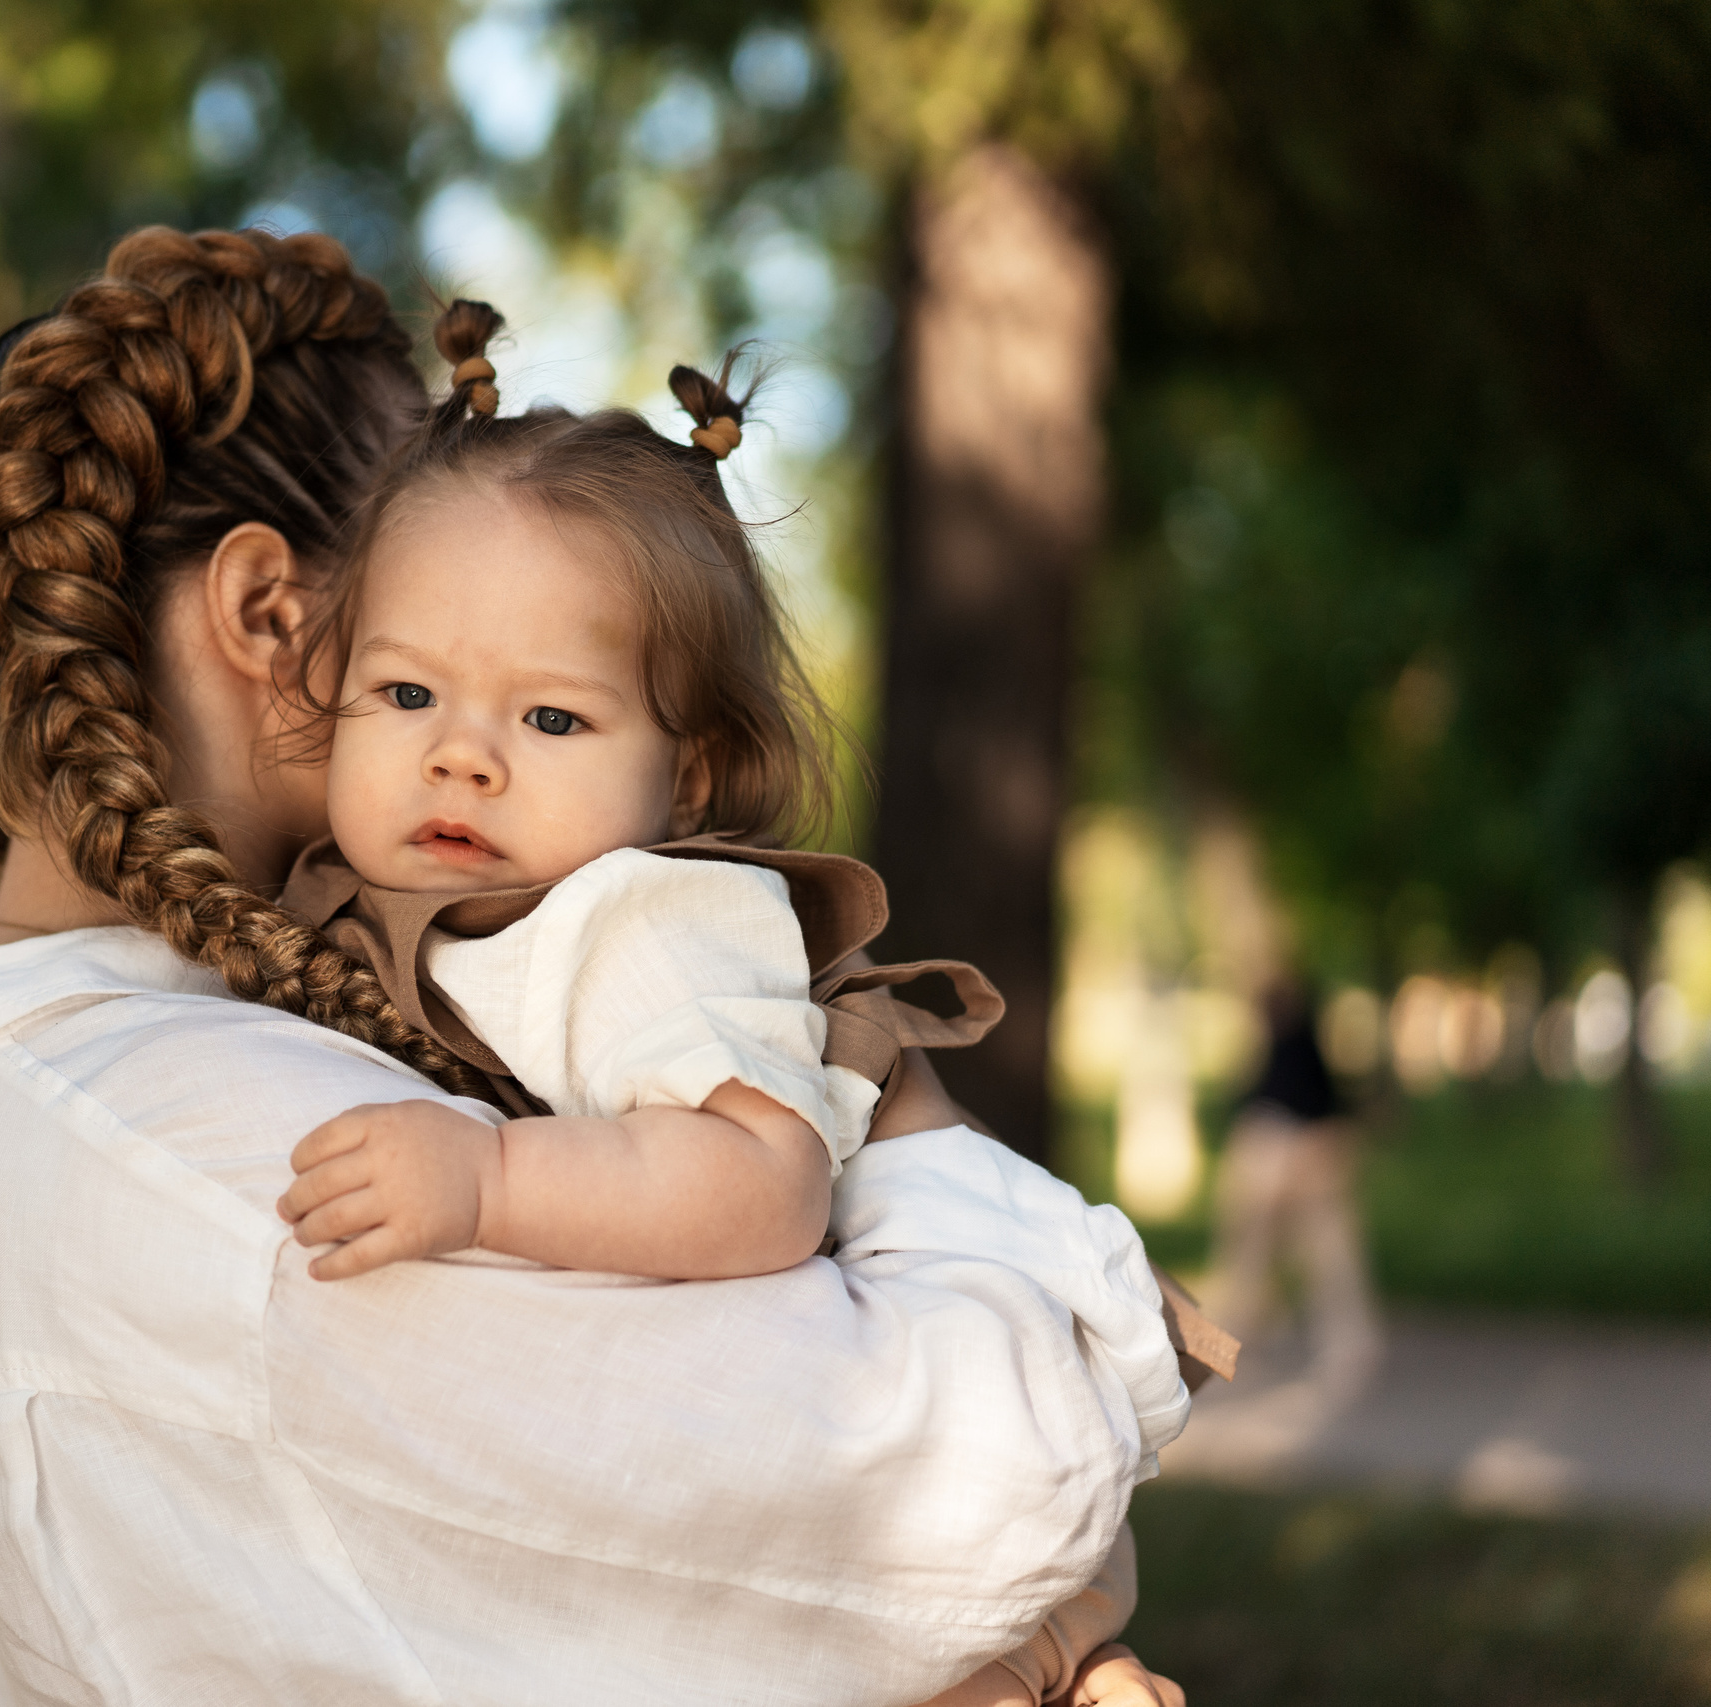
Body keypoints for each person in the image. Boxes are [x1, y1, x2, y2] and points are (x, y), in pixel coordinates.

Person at [0, 227, 1184, 1707]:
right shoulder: (230, 1146)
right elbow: (999, 1492)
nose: (470, 735)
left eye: (548, 700)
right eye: (412, 637)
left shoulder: (123, 1088)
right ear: (276, 615)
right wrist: (936, 1172)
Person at [270, 302, 1185, 1707]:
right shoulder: (404, 885)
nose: (461, 756)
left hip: (968, 1312)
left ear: (687, 776)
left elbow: (763, 1186)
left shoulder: (643, 921)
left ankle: (1056, 1656)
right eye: (404, 692)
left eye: (551, 718)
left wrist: (487, 1178)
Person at [1207, 979, 1384, 1398]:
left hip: (1274, 1152)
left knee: (1255, 1259)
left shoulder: (1281, 1053)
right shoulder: (1303, 1049)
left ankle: (1233, 1341)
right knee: (1323, 1258)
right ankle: (1346, 1344)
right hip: (1306, 1152)